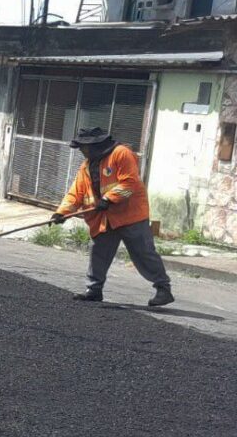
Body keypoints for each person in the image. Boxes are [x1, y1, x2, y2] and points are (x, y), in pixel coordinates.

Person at [52, 126, 174, 307]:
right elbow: (75, 193)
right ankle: (94, 290)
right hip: (104, 218)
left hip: (130, 215)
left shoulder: (121, 154)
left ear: (94, 145)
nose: (82, 151)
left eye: (83, 147)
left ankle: (163, 289)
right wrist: (62, 212)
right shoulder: (86, 166)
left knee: (143, 253)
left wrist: (109, 198)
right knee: (99, 252)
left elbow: (129, 182)